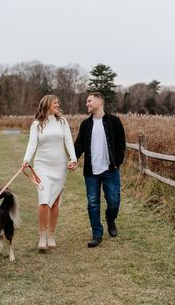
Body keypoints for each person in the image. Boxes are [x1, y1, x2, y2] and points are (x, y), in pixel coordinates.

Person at [22, 95, 77, 252]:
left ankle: (51, 235)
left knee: (54, 202)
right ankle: (42, 237)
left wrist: (73, 158)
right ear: (47, 104)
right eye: (55, 103)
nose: (58, 105)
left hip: (59, 166)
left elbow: (68, 141)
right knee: (44, 200)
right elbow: (32, 143)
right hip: (41, 166)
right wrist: (26, 160)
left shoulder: (62, 122)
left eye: (58, 102)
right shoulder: (36, 124)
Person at [74, 92, 126, 248]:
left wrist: (117, 163)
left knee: (114, 201)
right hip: (91, 172)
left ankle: (110, 219)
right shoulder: (85, 124)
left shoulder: (114, 121)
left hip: (110, 170)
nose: (87, 104)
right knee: (93, 203)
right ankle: (97, 234)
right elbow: (79, 145)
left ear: (99, 102)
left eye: (89, 101)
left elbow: (121, 143)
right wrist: (73, 159)